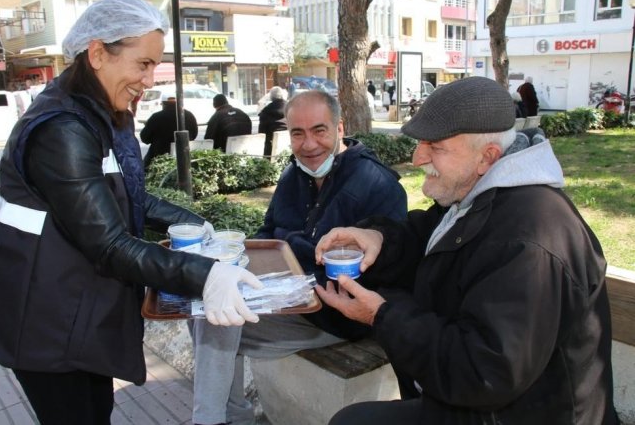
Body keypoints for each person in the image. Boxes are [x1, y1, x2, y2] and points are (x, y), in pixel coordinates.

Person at [0, 0, 262, 425]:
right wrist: (206, 275)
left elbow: (128, 196)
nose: (149, 79)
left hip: (74, 307)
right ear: (98, 54)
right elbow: (109, 245)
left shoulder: (98, 111)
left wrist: (196, 224)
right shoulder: (63, 129)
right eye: (143, 64)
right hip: (43, 322)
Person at [314, 76, 619, 425]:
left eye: (435, 147)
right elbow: (431, 238)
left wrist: (381, 316)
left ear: (487, 157)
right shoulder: (481, 194)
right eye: (420, 143)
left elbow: (486, 371)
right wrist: (377, 238)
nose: (417, 158)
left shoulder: (529, 240)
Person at [189, 90, 408, 425]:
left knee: (215, 319)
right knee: (207, 307)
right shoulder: (294, 175)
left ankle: (216, 420)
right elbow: (267, 232)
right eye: (297, 133)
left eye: (319, 131)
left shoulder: (378, 185)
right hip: (284, 299)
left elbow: (388, 271)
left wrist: (297, 274)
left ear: (339, 128)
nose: (309, 145)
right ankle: (230, 417)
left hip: (335, 317)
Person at [140, 94, 198, 169]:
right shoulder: (189, 115)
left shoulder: (156, 117)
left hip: (159, 158)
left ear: (163, 104)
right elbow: (194, 134)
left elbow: (144, 138)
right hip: (184, 157)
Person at [257, 86, 287, 157]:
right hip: (290, 146)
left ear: (271, 97)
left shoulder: (265, 111)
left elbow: (261, 133)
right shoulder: (291, 108)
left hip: (271, 150)